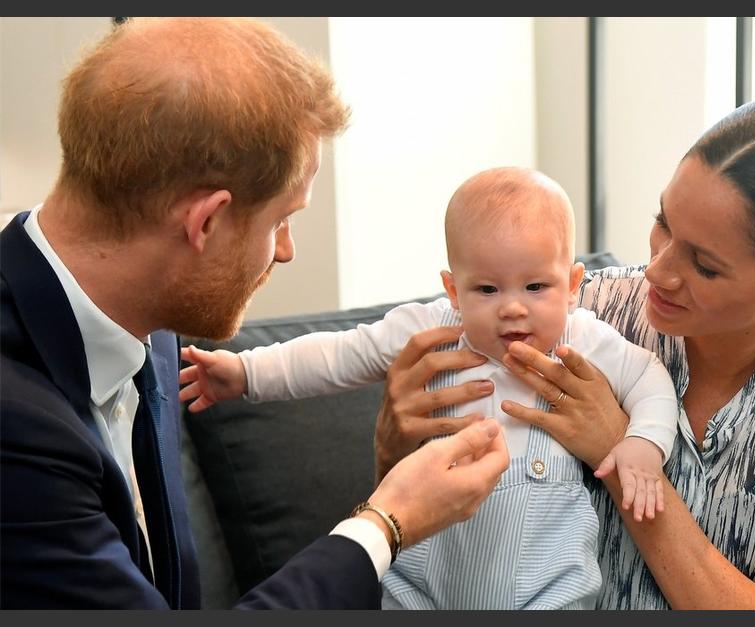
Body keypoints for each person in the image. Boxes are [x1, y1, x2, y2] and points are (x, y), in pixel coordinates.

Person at [0, 17, 509, 609]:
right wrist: (385, 524)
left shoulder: (151, 323)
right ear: (206, 222)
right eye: (281, 220)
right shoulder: (16, 429)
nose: (286, 250)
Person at [373, 96, 755, 609]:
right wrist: (394, 444)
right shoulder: (580, 311)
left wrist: (619, 453)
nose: (658, 271)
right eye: (663, 222)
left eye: (704, 265)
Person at [178, 166, 680, 609]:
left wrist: (641, 445)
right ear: (451, 289)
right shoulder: (429, 331)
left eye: (536, 287)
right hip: (425, 584)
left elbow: (650, 379)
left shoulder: (584, 338)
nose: (512, 308)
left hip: (547, 590)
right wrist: (244, 373)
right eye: (486, 289)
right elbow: (337, 355)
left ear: (572, 285)